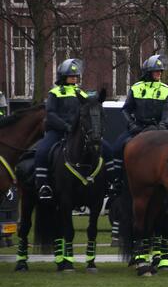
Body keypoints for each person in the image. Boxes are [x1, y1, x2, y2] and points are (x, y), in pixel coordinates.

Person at [35, 59, 116, 200]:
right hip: (57, 132)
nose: (74, 78)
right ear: (62, 76)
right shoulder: (54, 93)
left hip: (78, 133)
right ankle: (44, 186)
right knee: (42, 151)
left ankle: (111, 182)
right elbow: (51, 114)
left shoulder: (82, 94)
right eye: (71, 75)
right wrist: (65, 126)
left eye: (76, 76)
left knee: (107, 149)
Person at [112, 55, 168, 188]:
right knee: (117, 148)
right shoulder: (136, 88)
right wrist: (132, 125)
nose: (159, 73)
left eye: (160, 71)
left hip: (158, 130)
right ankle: (117, 180)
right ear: (148, 73)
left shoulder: (166, 89)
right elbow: (126, 110)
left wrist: (162, 126)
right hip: (137, 129)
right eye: (156, 71)